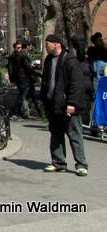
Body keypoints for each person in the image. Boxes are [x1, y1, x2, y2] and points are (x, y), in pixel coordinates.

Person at [40, 34, 88, 176]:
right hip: (53, 105)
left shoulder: (70, 61)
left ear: (57, 44)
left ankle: (81, 164)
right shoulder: (49, 60)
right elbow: (45, 82)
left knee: (74, 135)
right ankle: (58, 162)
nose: (46, 46)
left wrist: (72, 103)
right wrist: (43, 98)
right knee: (56, 134)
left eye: (48, 43)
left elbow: (77, 85)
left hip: (67, 105)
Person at [7, 41, 41, 119]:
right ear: (15, 48)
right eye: (18, 48)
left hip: (23, 78)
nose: (20, 49)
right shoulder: (21, 56)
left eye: (21, 47)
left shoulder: (14, 56)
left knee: (29, 95)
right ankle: (13, 112)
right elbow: (27, 67)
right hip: (23, 78)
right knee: (22, 96)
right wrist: (37, 73)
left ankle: (37, 112)